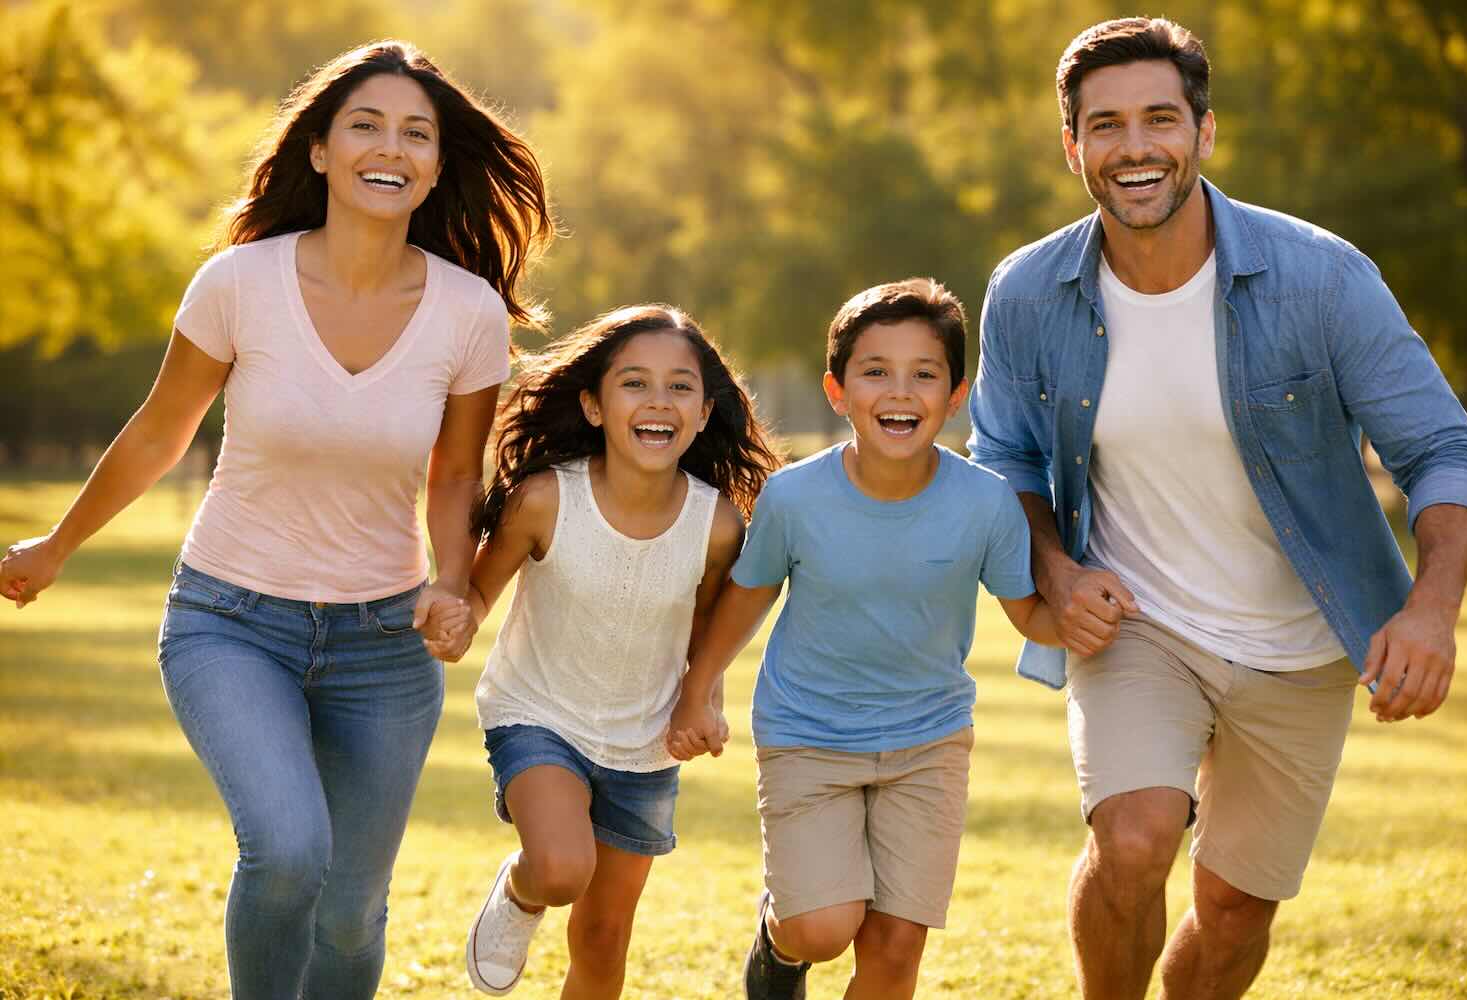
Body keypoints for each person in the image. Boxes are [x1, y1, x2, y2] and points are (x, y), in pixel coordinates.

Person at [0, 41, 552, 999]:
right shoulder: (238, 284)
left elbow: (455, 471)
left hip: (382, 645)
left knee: (349, 912)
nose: (393, 148)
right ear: (321, 153)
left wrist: (453, 584)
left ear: (436, 162)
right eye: (366, 126)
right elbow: (159, 433)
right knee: (289, 850)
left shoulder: (467, 313)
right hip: (231, 619)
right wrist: (57, 546)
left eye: (416, 133)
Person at [965, 17, 1467, 1000]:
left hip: (1302, 640)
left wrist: (1429, 610)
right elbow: (1003, 458)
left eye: (1160, 119)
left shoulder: (1321, 277)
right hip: (1136, 625)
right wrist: (1057, 571)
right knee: (1132, 840)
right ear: (1072, 145)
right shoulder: (1029, 290)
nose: (1135, 148)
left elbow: (1442, 448)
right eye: (1106, 125)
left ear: (1204, 133)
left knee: (1237, 913)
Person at [667, 278, 1062, 1000]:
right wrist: (698, 692)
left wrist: (1091, 614)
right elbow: (747, 598)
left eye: (924, 374)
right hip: (807, 736)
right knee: (822, 927)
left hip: (930, 741)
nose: (900, 392)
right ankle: (781, 945)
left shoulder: (987, 503)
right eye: (875, 371)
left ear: (955, 393)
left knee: (895, 945)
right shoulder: (793, 498)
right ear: (837, 390)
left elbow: (1031, 614)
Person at [422, 305, 779, 998]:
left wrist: (701, 703)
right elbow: (478, 598)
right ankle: (522, 893)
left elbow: (707, 635)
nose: (658, 401)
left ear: (705, 413)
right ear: (593, 404)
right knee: (560, 868)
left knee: (603, 938)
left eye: (680, 387)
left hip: (643, 745)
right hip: (538, 716)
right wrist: (455, 619)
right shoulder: (545, 500)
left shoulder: (716, 525)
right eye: (634, 383)